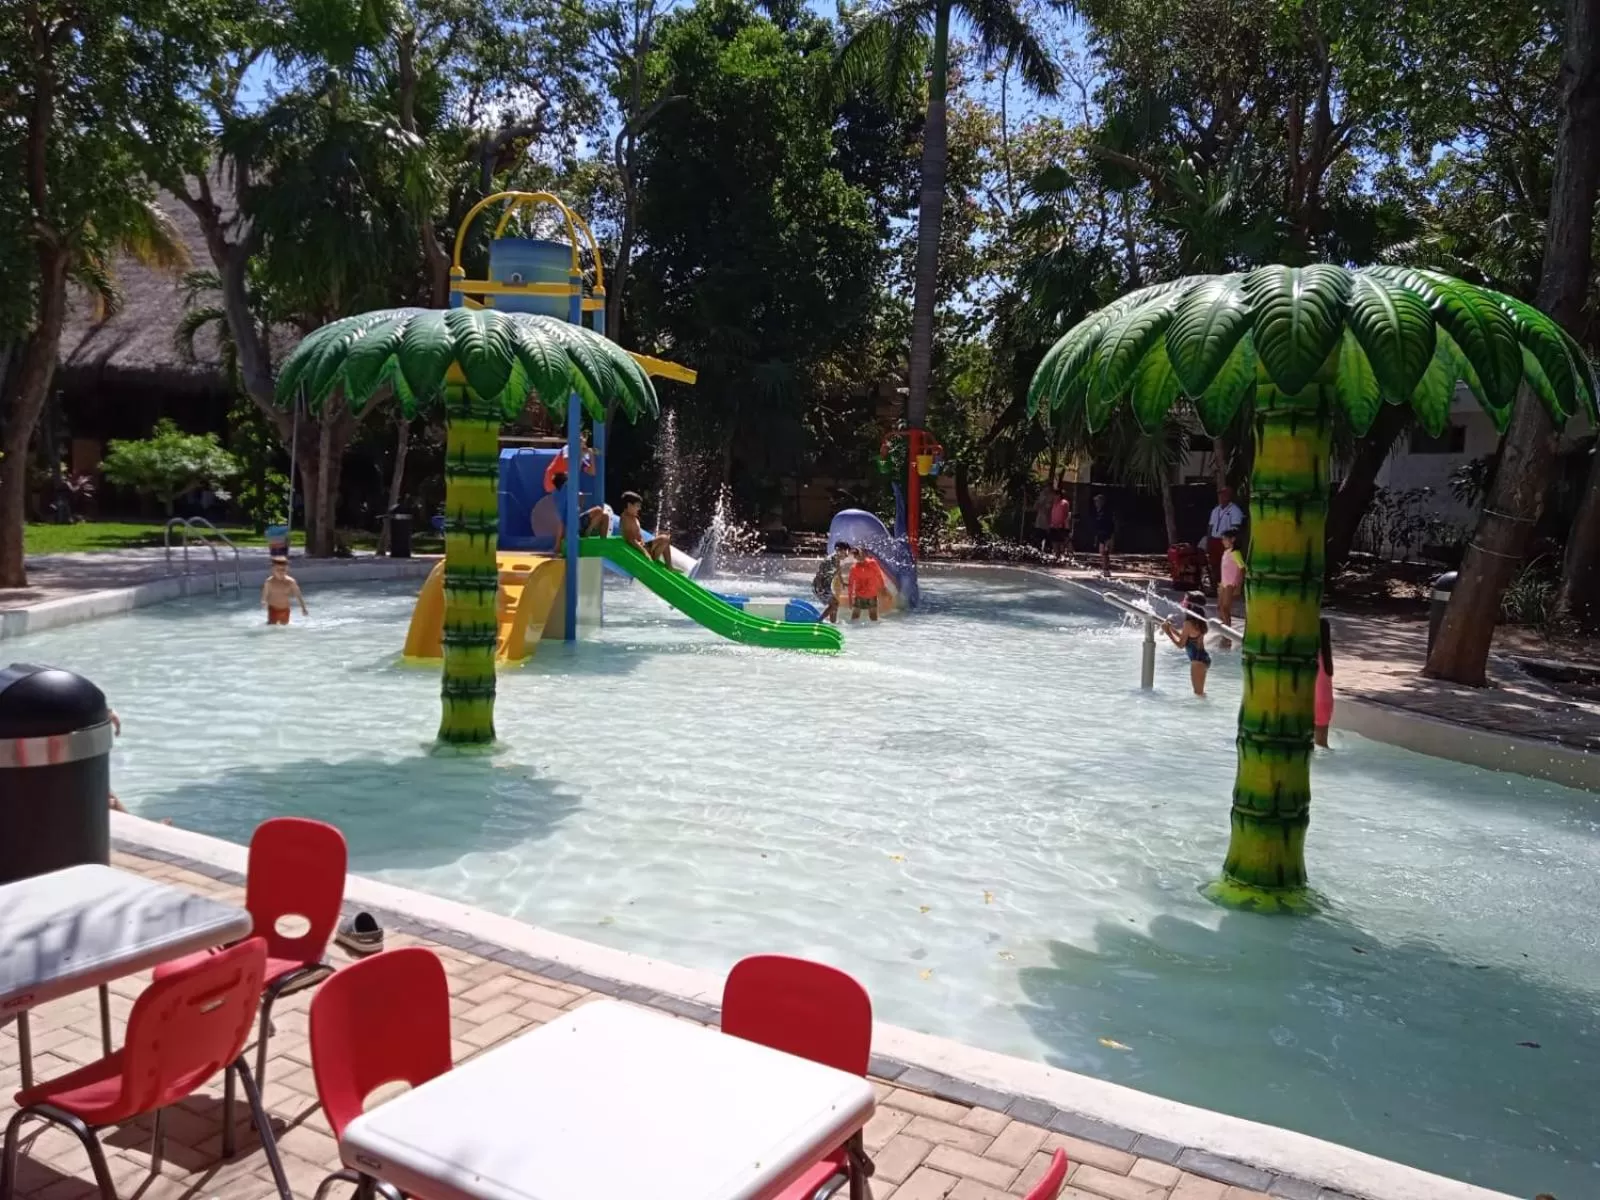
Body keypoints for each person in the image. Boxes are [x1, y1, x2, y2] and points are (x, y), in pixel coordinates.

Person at [1163, 601, 1211, 696]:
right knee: (1200, 693)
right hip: (1204, 658)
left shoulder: (1188, 624)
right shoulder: (1200, 624)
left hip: (1197, 661)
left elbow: (1181, 645)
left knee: (1198, 693)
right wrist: (1171, 629)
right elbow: (1186, 640)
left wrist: (1167, 632)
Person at [1204, 486, 1245, 594]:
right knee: (1214, 564)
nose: (1222, 497)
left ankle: (1228, 588)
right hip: (1214, 540)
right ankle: (1215, 587)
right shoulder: (1215, 510)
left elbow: (1236, 528)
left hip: (1226, 542)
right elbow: (1210, 526)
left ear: (1230, 496)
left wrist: (1231, 544)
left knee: (1226, 566)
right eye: (1220, 494)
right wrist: (1208, 540)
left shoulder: (1235, 510)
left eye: (1224, 494)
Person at [620, 491, 674, 566]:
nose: (639, 508)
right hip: (636, 550)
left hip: (642, 547)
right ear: (629, 505)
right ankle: (655, 559)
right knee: (664, 538)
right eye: (637, 506)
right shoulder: (626, 518)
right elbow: (631, 539)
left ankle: (669, 566)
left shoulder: (633, 517)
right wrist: (645, 553)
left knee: (665, 539)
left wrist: (647, 547)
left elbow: (639, 537)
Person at [1217, 528, 1246, 635]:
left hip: (1231, 583)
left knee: (1225, 609)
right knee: (1220, 607)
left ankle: (1228, 636)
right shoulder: (1226, 552)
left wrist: (1238, 586)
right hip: (1224, 583)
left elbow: (1242, 569)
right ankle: (1224, 630)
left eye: (1225, 539)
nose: (1223, 541)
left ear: (1233, 539)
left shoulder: (1235, 553)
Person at [262, 556, 307, 625]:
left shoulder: (291, 582)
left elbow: (298, 595)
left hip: (285, 609)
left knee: (284, 625)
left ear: (287, 569)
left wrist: (303, 608)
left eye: (283, 570)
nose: (281, 572)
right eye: (278, 570)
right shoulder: (269, 582)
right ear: (273, 569)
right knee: (272, 625)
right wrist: (263, 601)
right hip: (273, 608)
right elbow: (265, 593)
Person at [812, 542, 850, 623]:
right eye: (846, 551)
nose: (847, 555)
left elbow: (838, 571)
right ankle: (818, 621)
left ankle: (833, 623)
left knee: (835, 604)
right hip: (820, 586)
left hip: (826, 586)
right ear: (838, 550)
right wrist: (819, 587)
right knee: (834, 604)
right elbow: (819, 574)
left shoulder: (837, 559)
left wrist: (842, 582)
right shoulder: (829, 560)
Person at [848, 544, 887, 622]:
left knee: (873, 616)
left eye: (858, 554)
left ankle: (875, 629)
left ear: (863, 554)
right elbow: (851, 584)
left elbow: (879, 575)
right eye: (855, 555)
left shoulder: (872, 563)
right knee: (855, 615)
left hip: (871, 594)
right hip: (860, 595)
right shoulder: (853, 568)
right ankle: (852, 629)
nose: (857, 556)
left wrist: (883, 587)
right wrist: (850, 599)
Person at [1314, 617, 1335, 748]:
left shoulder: (1313, 657)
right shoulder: (1326, 657)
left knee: (1314, 746)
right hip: (1326, 703)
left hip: (1315, 702)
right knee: (1322, 744)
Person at [1091, 494, 1115, 576]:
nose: (1096, 503)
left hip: (1107, 535)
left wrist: (1110, 537)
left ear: (1102, 502)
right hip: (1100, 534)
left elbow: (1111, 524)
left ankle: (1106, 570)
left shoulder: (1106, 512)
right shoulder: (1098, 511)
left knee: (1105, 552)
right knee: (1102, 552)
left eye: (1097, 501)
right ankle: (1104, 568)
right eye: (1095, 501)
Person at [1049, 486, 1072, 556]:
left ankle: (1064, 555)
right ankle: (1057, 556)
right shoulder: (1054, 503)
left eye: (1055, 495)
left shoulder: (1064, 503)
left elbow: (1066, 514)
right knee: (1054, 542)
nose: (1054, 497)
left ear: (1059, 495)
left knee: (1062, 543)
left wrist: (1064, 524)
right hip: (1053, 526)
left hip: (1061, 526)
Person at [1033, 481, 1055, 551]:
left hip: (1048, 522)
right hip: (1039, 521)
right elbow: (1035, 507)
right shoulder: (1041, 494)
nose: (1046, 488)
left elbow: (1048, 509)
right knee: (1038, 539)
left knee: (1048, 541)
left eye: (1047, 487)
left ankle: (1047, 550)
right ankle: (1037, 551)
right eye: (1045, 487)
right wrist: (1040, 502)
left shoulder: (1052, 496)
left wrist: (1043, 504)